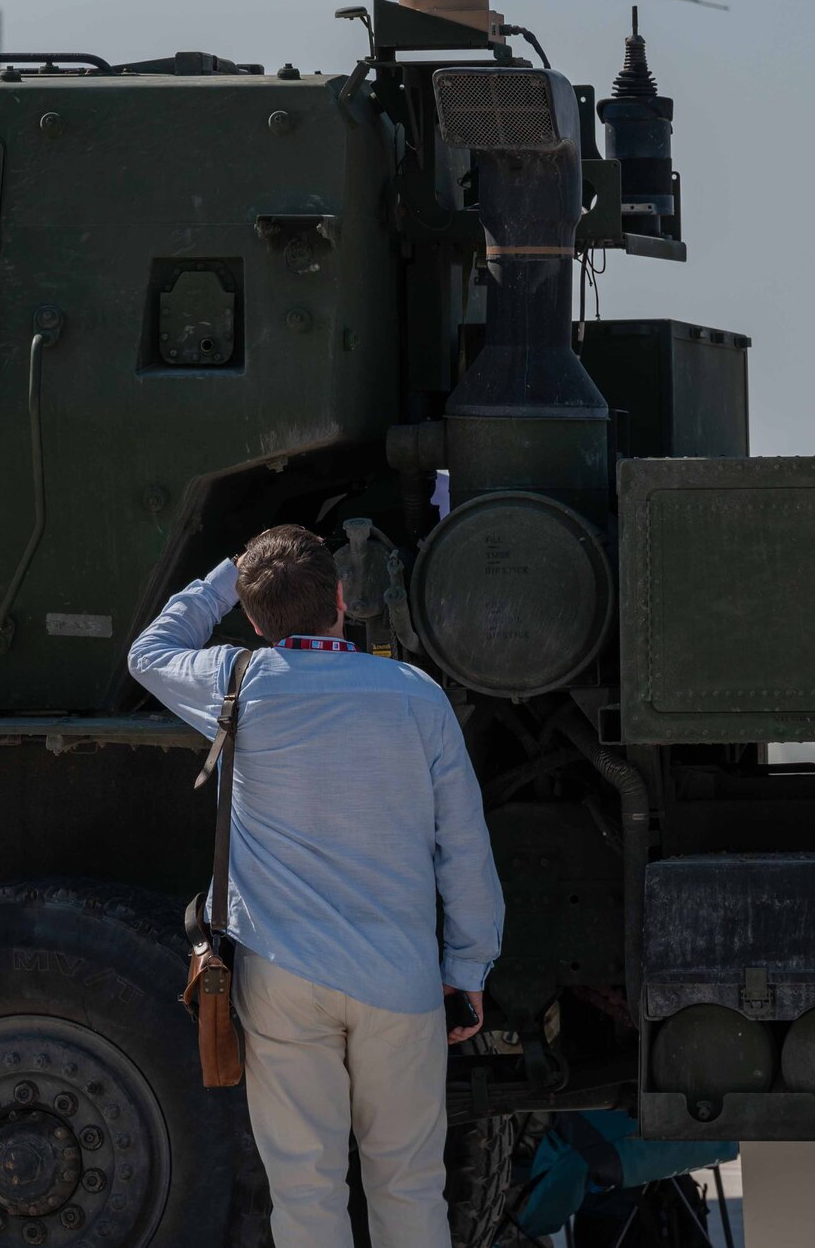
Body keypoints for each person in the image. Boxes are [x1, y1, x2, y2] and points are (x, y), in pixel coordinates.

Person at [128, 524, 504, 1248]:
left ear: (255, 617)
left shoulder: (236, 682)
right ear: (341, 597)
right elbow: (462, 845)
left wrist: (223, 575)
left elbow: (147, 653)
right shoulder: (415, 696)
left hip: (283, 978)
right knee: (409, 1185)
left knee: (304, 1194)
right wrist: (468, 965)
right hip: (400, 981)